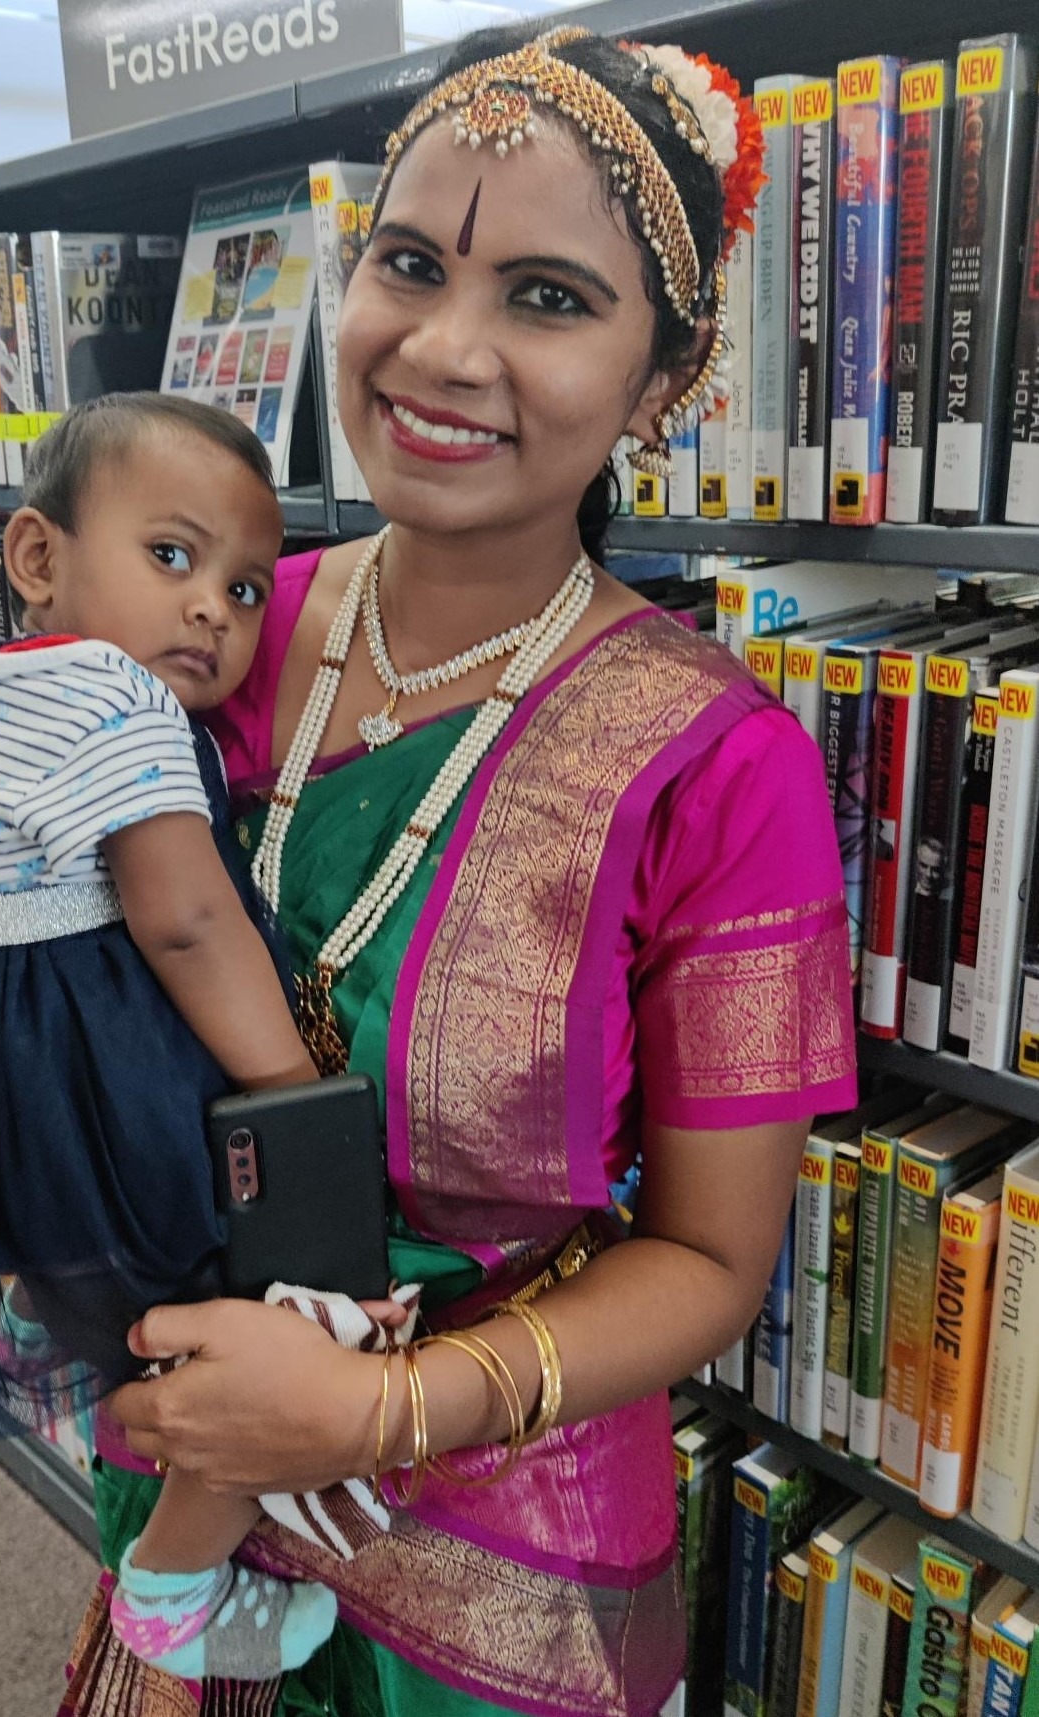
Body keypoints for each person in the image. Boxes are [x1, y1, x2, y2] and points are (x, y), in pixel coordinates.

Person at [62, 26, 857, 1717]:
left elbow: (715, 1262)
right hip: (185, 1457)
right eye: (410, 265)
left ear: (667, 380)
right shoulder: (212, 632)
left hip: (498, 1554)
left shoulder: (722, 769)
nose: (441, 347)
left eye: (549, 299)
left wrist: (377, 1409)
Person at [0, 392, 374, 1685]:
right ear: (38, 559)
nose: (213, 610)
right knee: (262, 1334)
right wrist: (293, 1091)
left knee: (123, 1313)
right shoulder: (115, 698)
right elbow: (186, 917)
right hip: (79, 1090)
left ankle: (88, 1348)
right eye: (173, 557)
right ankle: (174, 1587)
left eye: (250, 589)